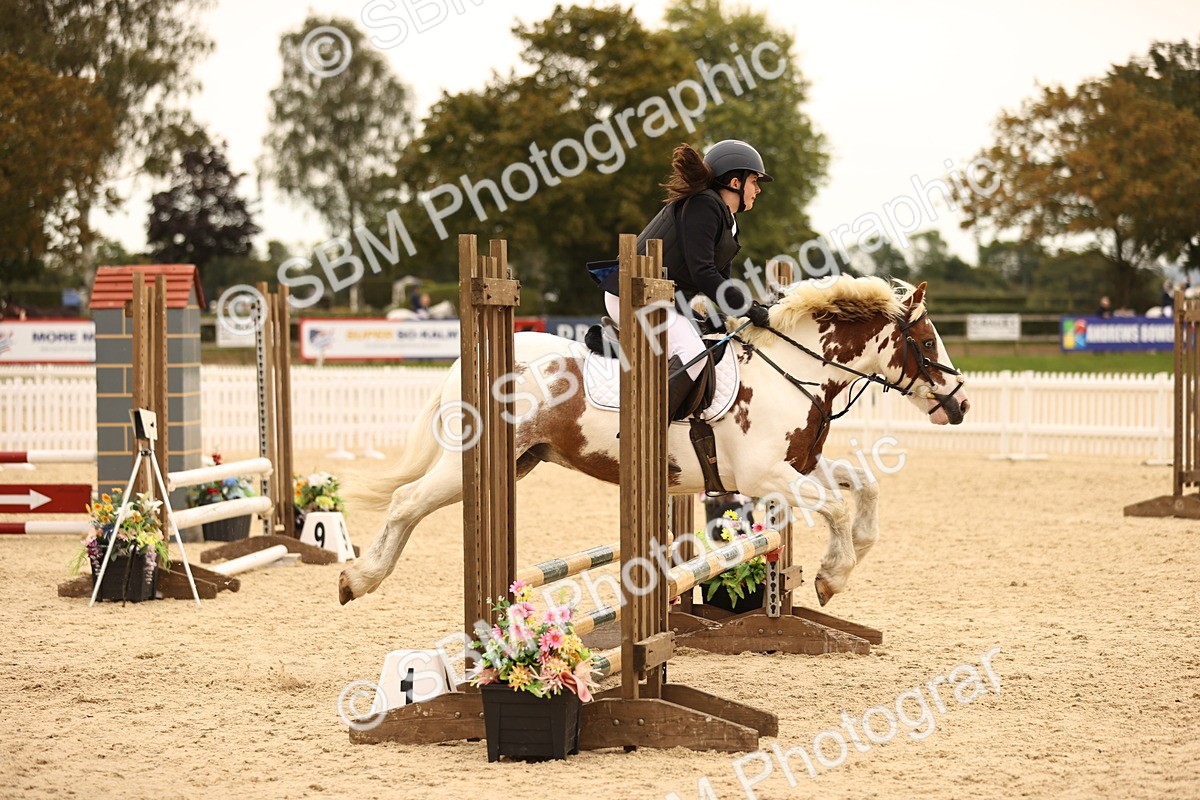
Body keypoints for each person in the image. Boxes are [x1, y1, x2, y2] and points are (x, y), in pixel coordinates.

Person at [592, 140, 774, 420]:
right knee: (692, 353)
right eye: (754, 181)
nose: (758, 189)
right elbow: (704, 273)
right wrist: (748, 307)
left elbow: (720, 280)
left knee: (708, 338)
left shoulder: (726, 219)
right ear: (735, 182)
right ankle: (645, 427)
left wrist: (729, 312)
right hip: (635, 293)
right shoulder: (704, 206)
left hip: (660, 298)